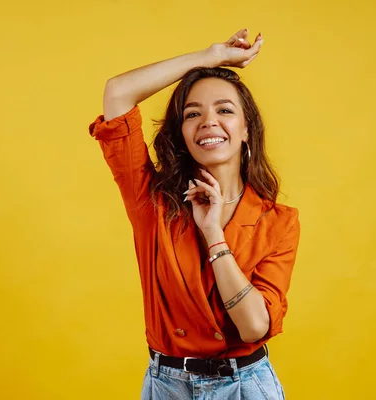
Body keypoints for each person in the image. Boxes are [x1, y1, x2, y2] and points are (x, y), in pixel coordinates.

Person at [88, 28, 300, 399]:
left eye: (225, 110)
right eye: (192, 113)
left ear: (246, 129)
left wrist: (213, 232)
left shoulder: (277, 221)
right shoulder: (151, 203)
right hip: (166, 386)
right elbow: (118, 92)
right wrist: (209, 57)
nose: (208, 121)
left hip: (244, 386)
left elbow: (252, 327)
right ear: (182, 133)